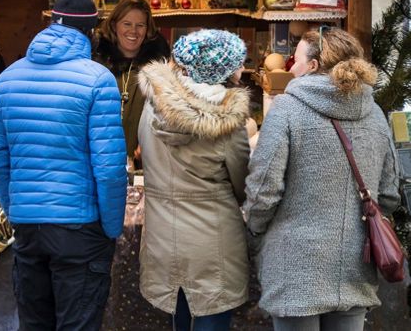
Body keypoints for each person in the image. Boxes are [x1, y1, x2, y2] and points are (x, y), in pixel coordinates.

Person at [0, 0, 127, 331]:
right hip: (81, 228)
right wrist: (110, 228)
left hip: (29, 228)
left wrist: (17, 206)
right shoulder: (97, 80)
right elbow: (109, 170)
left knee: (35, 324)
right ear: (91, 31)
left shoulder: (9, 77)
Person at [243, 27, 401, 331]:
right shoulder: (375, 113)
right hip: (355, 263)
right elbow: (390, 193)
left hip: (294, 264)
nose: (291, 66)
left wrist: (256, 228)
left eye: (295, 59)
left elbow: (264, 189)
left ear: (313, 66)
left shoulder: (287, 109)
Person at [138, 29, 252, 331]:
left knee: (180, 320)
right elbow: (243, 186)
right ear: (221, 71)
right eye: (238, 63)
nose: (242, 68)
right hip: (213, 243)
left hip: (162, 236)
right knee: (212, 321)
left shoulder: (151, 107)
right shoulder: (228, 121)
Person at [94, 0, 170, 163]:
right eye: (127, 24)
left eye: (140, 25)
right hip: (101, 159)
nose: (133, 31)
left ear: (147, 29)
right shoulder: (97, 68)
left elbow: (168, 116)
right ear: (114, 25)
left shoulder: (159, 71)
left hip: (146, 162)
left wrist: (154, 141)